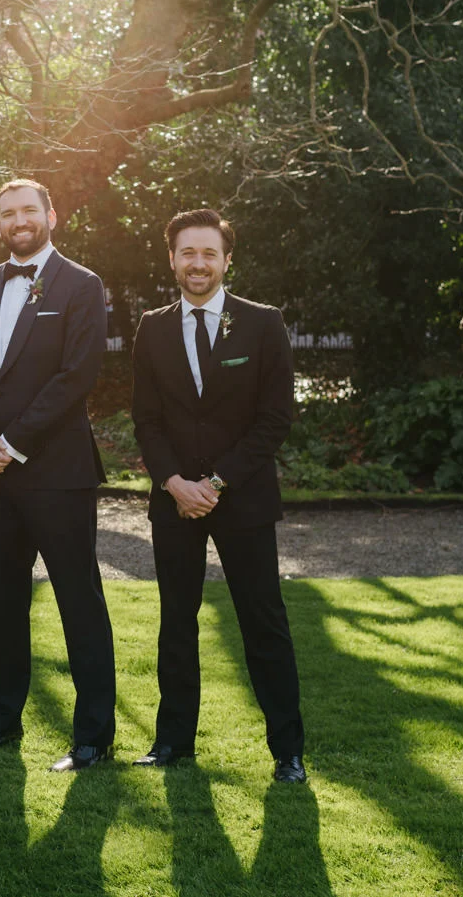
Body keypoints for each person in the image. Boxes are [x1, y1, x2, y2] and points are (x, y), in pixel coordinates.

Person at [130, 207, 306, 783]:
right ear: (172, 259)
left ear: (227, 260)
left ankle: (288, 752)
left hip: (244, 499)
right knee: (176, 622)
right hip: (174, 499)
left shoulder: (262, 323)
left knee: (263, 622)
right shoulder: (151, 328)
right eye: (187, 253)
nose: (198, 263)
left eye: (209, 253)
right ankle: (173, 744)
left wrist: (217, 482)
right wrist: (174, 483)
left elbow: (276, 418)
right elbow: (147, 421)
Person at [0, 178, 116, 772]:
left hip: (57, 473)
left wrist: (13, 441)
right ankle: (1, 727)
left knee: (79, 602)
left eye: (28, 210)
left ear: (51, 213)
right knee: (2, 604)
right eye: (7, 213)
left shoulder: (82, 285)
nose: (18, 220)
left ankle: (93, 738)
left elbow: (77, 375)